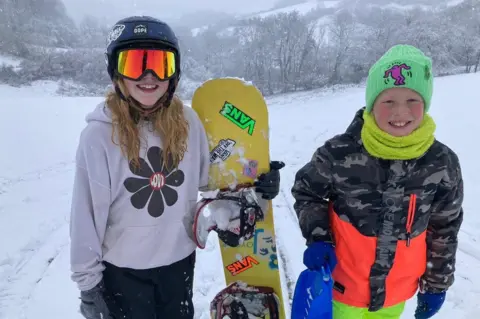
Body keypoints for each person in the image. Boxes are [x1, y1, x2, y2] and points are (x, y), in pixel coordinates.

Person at [69, 15, 283, 319]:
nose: (149, 75)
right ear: (116, 71)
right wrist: (89, 288)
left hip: (178, 265)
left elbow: (211, 184)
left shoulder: (187, 123)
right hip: (123, 273)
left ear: (175, 72)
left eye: (161, 63)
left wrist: (257, 189)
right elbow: (85, 217)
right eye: (134, 63)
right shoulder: (100, 136)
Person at [291, 44, 464, 319]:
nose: (400, 112)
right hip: (342, 289)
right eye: (388, 101)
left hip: (395, 295)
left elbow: (445, 226)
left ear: (426, 104)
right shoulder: (338, 153)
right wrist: (319, 238)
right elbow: (306, 192)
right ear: (372, 104)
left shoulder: (441, 162)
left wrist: (436, 284)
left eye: (412, 101)